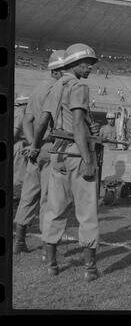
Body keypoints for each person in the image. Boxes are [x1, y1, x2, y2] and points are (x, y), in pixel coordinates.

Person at [30, 43, 100, 280]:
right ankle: (90, 269)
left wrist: (35, 146)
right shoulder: (79, 86)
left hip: (57, 154)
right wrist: (88, 159)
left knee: (55, 209)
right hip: (75, 152)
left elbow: (42, 122)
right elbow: (78, 124)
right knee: (87, 210)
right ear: (73, 64)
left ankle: (51, 264)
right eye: (86, 63)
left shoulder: (56, 85)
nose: (90, 68)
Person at [13, 50, 65, 255]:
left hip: (35, 149)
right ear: (60, 70)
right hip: (51, 147)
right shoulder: (56, 89)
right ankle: (47, 246)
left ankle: (19, 241)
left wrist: (32, 144)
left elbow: (27, 121)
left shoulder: (37, 89)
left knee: (28, 195)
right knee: (48, 197)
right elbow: (47, 121)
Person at [13, 96, 29, 194]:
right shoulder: (21, 113)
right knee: (18, 176)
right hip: (19, 145)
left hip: (19, 144)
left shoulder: (19, 112)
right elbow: (15, 132)